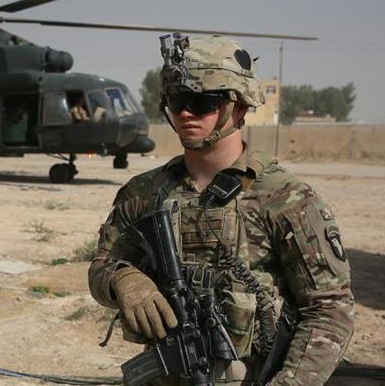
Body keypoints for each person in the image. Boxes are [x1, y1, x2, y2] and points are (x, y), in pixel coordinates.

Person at [88, 34, 353, 386]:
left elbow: (330, 309)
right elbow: (101, 266)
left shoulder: (285, 198)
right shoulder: (143, 192)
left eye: (203, 102)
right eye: (177, 101)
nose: (186, 113)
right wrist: (122, 279)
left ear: (239, 107)